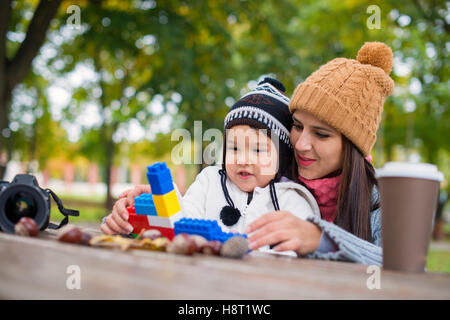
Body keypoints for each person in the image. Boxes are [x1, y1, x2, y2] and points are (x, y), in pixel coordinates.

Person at [101, 78, 320, 257]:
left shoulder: (293, 200)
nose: (244, 159)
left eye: (258, 150)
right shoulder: (210, 182)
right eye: (234, 148)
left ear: (281, 157)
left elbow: (304, 255)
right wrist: (157, 204)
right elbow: (180, 223)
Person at [245, 42, 395, 265]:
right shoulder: (269, 175)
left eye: (322, 134)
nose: (301, 144)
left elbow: (402, 265)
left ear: (353, 147)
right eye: (297, 126)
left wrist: (322, 239)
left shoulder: (381, 200)